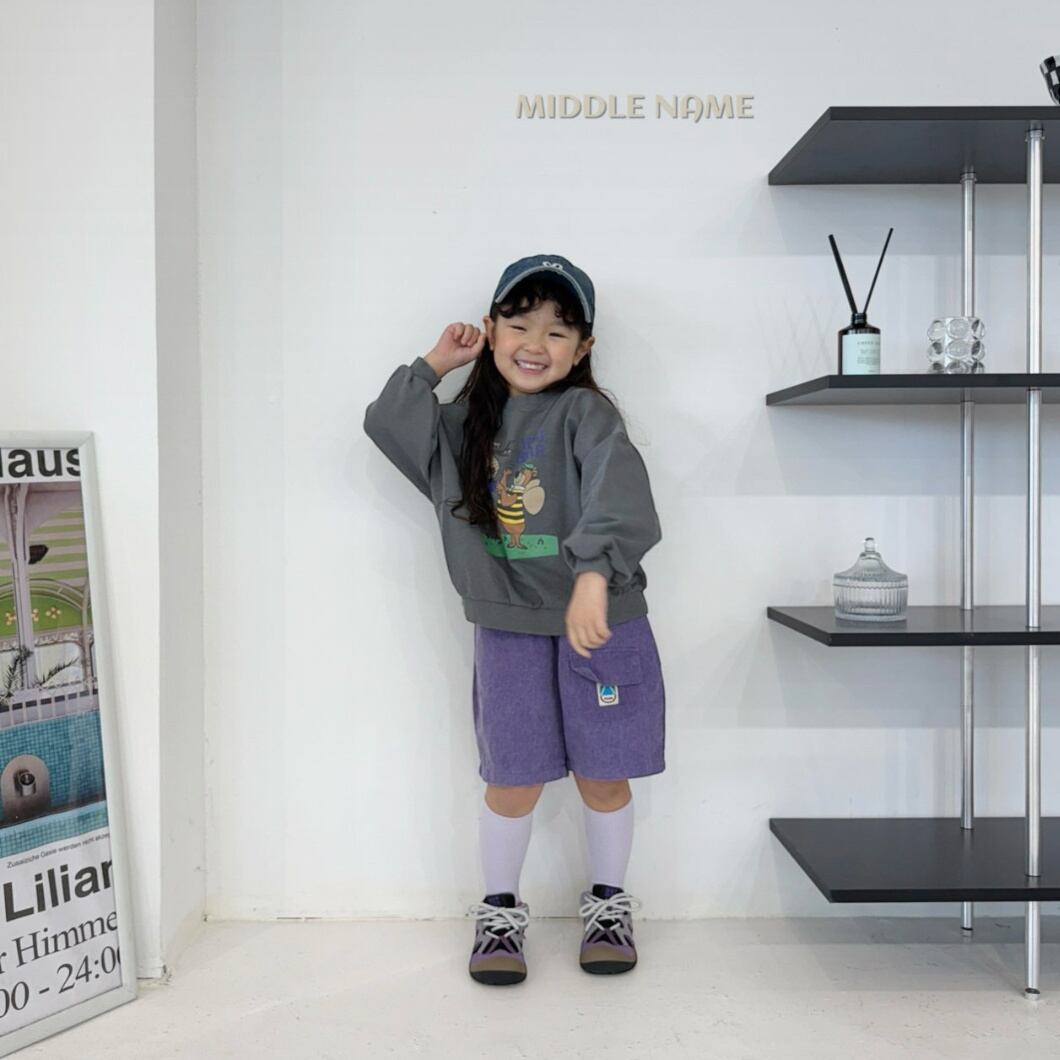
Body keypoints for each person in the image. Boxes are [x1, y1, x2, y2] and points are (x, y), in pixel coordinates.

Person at [363, 253, 665, 987]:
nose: (536, 343)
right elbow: (386, 421)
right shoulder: (461, 426)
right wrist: (438, 361)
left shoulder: (587, 415)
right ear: (491, 329)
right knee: (513, 778)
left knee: (604, 774)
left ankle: (609, 905)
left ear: (583, 349)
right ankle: (499, 912)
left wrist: (592, 576)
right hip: (509, 628)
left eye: (558, 331)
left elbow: (619, 492)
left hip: (601, 624)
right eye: (519, 324)